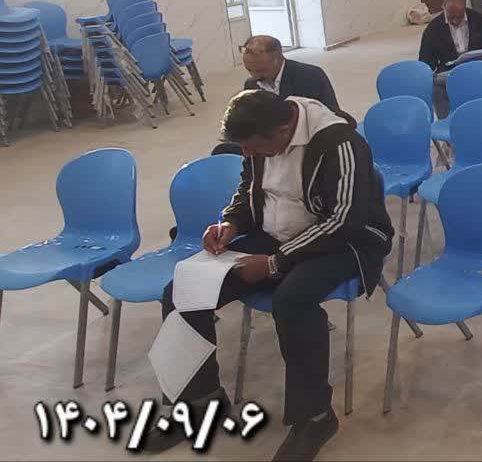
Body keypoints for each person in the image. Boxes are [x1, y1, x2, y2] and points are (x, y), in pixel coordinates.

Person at [146, 90, 393, 460]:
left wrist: (276, 262)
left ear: (283, 130)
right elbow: (248, 189)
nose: (247, 154)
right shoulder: (261, 142)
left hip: (345, 243)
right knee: (183, 290)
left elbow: (344, 221)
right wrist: (230, 223)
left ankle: (315, 417)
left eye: (253, 147)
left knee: (292, 301)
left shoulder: (340, 143)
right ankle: (200, 401)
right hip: (278, 234)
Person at [418, 0, 482, 119]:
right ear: (444, 8)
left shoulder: (479, 20)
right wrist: (431, 71)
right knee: (435, 85)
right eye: (451, 17)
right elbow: (425, 59)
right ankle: (447, 121)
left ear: (465, 8)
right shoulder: (434, 28)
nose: (455, 21)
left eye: (459, 17)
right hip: (450, 71)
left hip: (478, 68)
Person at [241, 35, 339, 112]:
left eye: (260, 70)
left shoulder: (311, 76)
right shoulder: (251, 85)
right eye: (249, 70)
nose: (255, 76)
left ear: (276, 58)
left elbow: (332, 116)